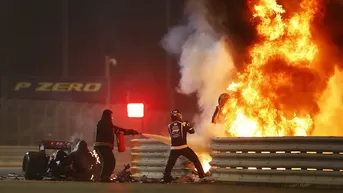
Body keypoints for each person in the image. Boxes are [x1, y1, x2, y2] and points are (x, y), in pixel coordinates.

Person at [94, 109, 140, 182]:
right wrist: (130, 131)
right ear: (108, 116)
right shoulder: (103, 123)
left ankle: (105, 177)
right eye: (111, 116)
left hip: (105, 147)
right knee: (109, 161)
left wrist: (131, 131)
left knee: (110, 161)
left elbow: (118, 130)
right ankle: (104, 177)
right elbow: (117, 130)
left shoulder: (106, 124)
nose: (112, 118)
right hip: (102, 147)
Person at [162, 109, 206, 183]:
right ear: (179, 116)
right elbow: (192, 132)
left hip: (174, 149)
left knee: (170, 164)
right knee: (195, 160)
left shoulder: (169, 126)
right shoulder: (184, 123)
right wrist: (190, 125)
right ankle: (202, 176)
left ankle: (166, 178)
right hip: (183, 147)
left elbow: (174, 135)